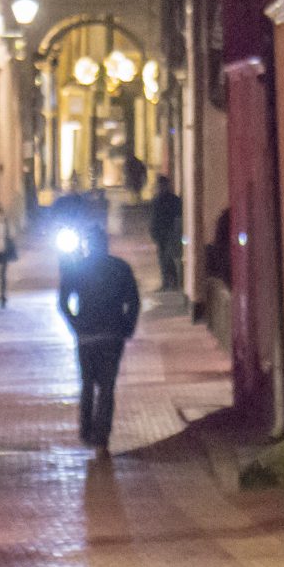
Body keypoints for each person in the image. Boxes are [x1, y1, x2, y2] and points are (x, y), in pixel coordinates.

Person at [57, 225, 141, 447]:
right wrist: (127, 326)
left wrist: (76, 324)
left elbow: (63, 302)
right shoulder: (120, 268)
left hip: (86, 336)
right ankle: (102, 433)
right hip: (113, 334)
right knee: (107, 385)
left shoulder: (76, 268)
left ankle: (86, 430)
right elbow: (133, 300)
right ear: (105, 244)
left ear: (87, 245)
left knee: (87, 383)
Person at [149, 175, 183, 293]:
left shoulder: (173, 200)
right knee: (162, 259)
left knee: (168, 258)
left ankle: (172, 282)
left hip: (169, 233)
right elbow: (153, 218)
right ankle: (166, 283)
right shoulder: (157, 200)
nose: (160, 187)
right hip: (160, 234)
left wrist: (175, 233)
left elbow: (177, 218)